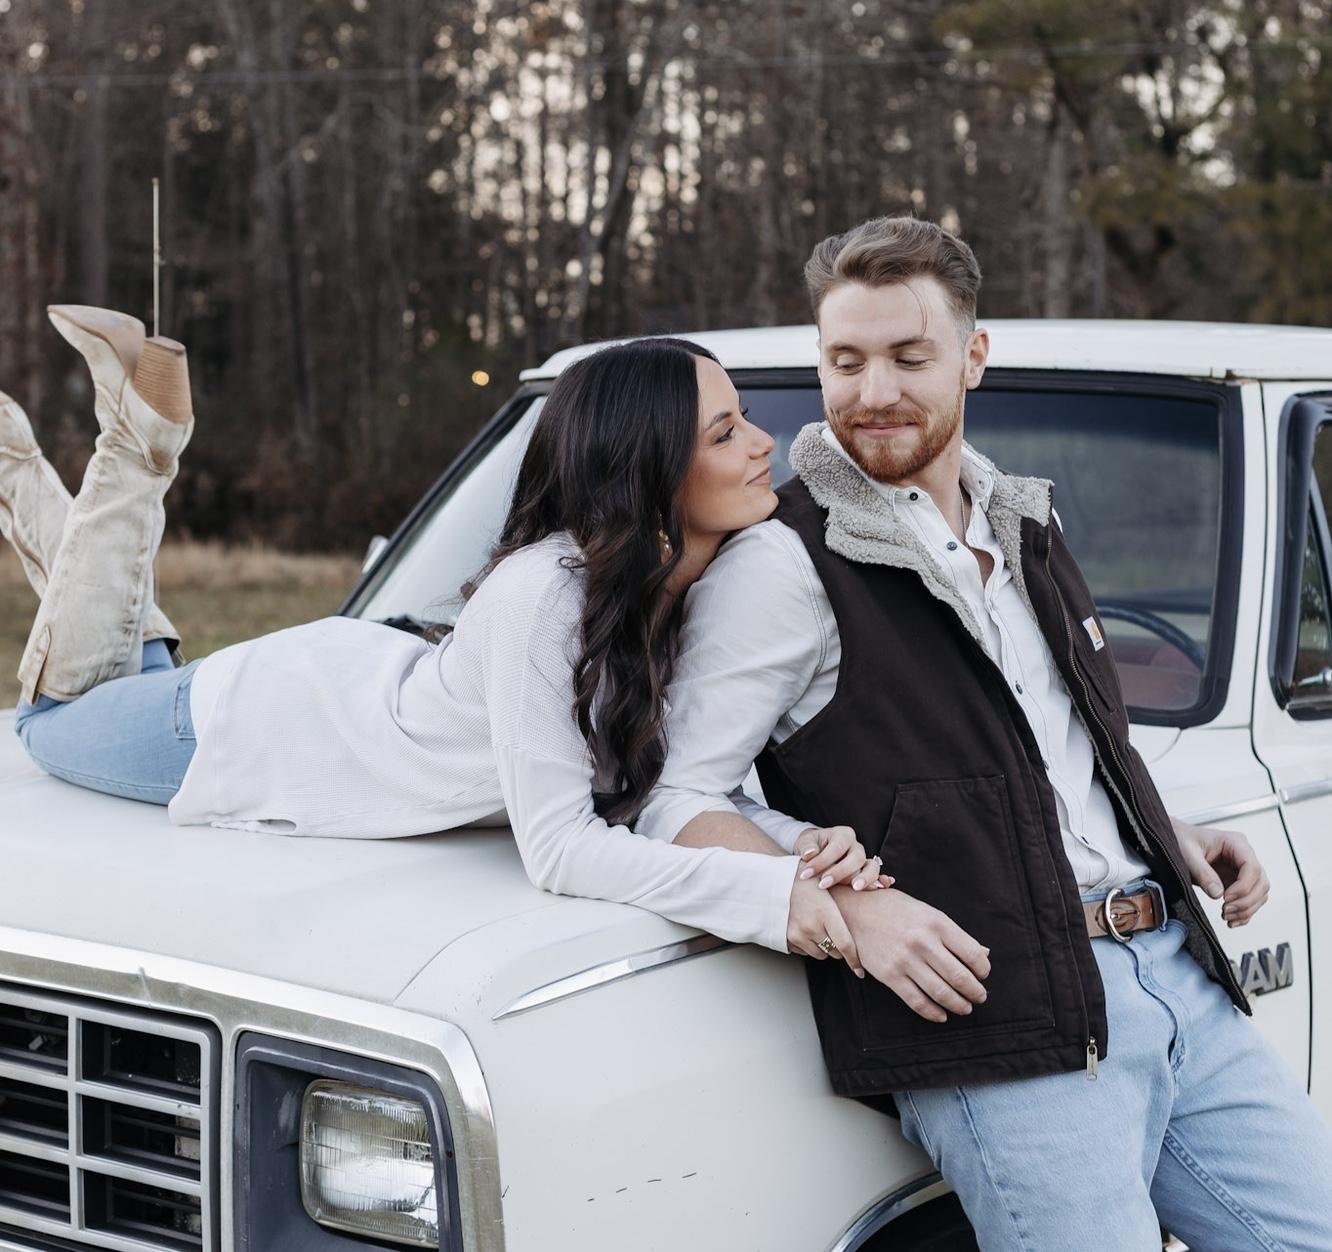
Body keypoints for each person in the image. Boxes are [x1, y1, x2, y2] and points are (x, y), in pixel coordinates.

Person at [636, 216, 1332, 1249]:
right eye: (845, 360)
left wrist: (1159, 832)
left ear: (972, 356)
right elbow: (676, 799)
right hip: (998, 1029)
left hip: (1175, 973)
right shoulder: (783, 564)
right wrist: (841, 903)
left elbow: (1045, 744)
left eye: (909, 357)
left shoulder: (1022, 520)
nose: (873, 391)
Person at [0, 307, 884, 957]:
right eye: (726, 432)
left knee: (120, 668)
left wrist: (797, 845)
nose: (763, 444)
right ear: (650, 471)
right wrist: (769, 893)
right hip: (257, 726)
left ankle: (32, 466)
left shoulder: (686, 593)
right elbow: (560, 849)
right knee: (49, 718)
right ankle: (134, 451)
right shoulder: (544, 593)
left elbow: (675, 788)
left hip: (343, 685)